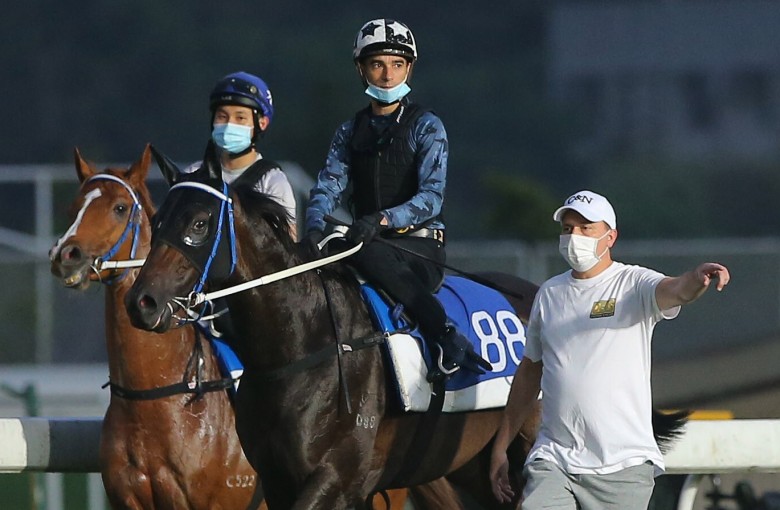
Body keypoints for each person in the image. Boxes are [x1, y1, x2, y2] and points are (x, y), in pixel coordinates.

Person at [489, 190, 731, 509]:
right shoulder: (549, 293)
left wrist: (697, 279)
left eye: (586, 228)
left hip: (622, 467)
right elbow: (529, 373)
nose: (574, 236)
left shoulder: (633, 283)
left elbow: (676, 290)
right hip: (554, 460)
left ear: (610, 237)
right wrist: (500, 447)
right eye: (568, 229)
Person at [302, 18, 490, 381]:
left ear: (409, 68)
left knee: (367, 251)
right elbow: (327, 186)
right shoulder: (348, 131)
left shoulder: (427, 126)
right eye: (377, 64)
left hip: (419, 249)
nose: (388, 75)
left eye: (397, 64)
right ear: (361, 69)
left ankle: (445, 335)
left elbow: (431, 198)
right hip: (364, 242)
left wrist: (381, 219)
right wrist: (312, 229)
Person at [184, 71, 297, 238]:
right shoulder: (193, 175)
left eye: (240, 118)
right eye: (222, 116)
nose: (229, 124)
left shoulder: (272, 183)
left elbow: (287, 246)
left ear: (262, 123)